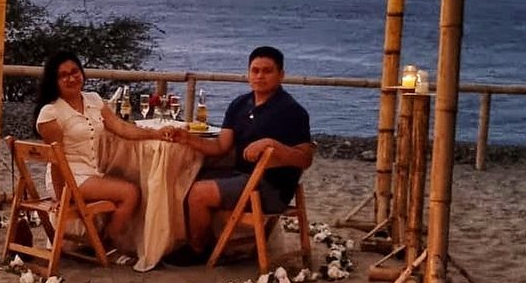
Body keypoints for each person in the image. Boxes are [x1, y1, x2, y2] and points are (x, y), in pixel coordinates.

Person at [163, 45, 315, 265]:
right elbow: (220, 147)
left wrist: (273, 145)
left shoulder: (291, 111)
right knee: (183, 178)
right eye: (255, 70)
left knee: (198, 193)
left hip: (271, 187)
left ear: (281, 75)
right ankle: (199, 241)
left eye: (267, 71)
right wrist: (187, 139)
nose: (260, 76)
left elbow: (305, 158)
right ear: (248, 74)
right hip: (242, 176)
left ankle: (197, 250)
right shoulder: (239, 105)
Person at [34, 51, 172, 255]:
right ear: (54, 81)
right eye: (63, 75)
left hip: (90, 172)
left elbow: (121, 128)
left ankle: (98, 244)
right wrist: (60, 196)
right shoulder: (50, 112)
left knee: (129, 182)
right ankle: (105, 246)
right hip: (67, 178)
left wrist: (155, 134)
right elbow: (56, 160)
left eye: (75, 71)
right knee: (130, 193)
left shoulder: (94, 100)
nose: (71, 78)